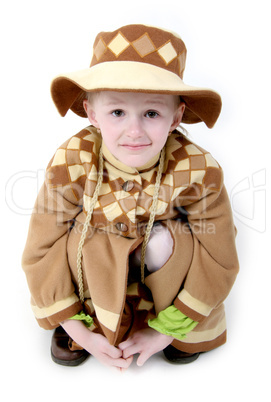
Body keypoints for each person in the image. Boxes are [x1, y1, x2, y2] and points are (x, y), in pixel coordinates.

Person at [22, 24, 239, 370]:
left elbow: (220, 254)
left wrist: (167, 332)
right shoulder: (72, 160)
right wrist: (76, 329)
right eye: (117, 112)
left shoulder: (198, 169)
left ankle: (177, 320)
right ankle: (85, 314)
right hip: (92, 265)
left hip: (160, 264)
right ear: (92, 113)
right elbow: (41, 244)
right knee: (81, 236)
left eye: (151, 113)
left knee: (165, 239)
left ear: (176, 117)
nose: (134, 131)